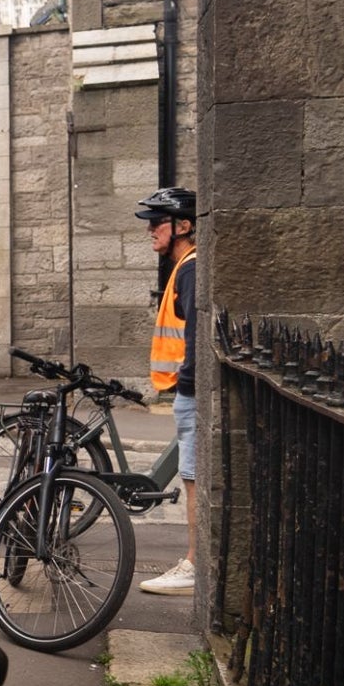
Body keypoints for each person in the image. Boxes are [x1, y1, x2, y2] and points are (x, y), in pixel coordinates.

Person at [136, 187, 199, 595]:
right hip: (185, 389)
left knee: (193, 478)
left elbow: (195, 328)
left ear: (184, 225)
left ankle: (194, 565)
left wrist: (188, 381)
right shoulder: (185, 267)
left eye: (158, 222)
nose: (151, 230)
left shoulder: (191, 267)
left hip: (191, 392)